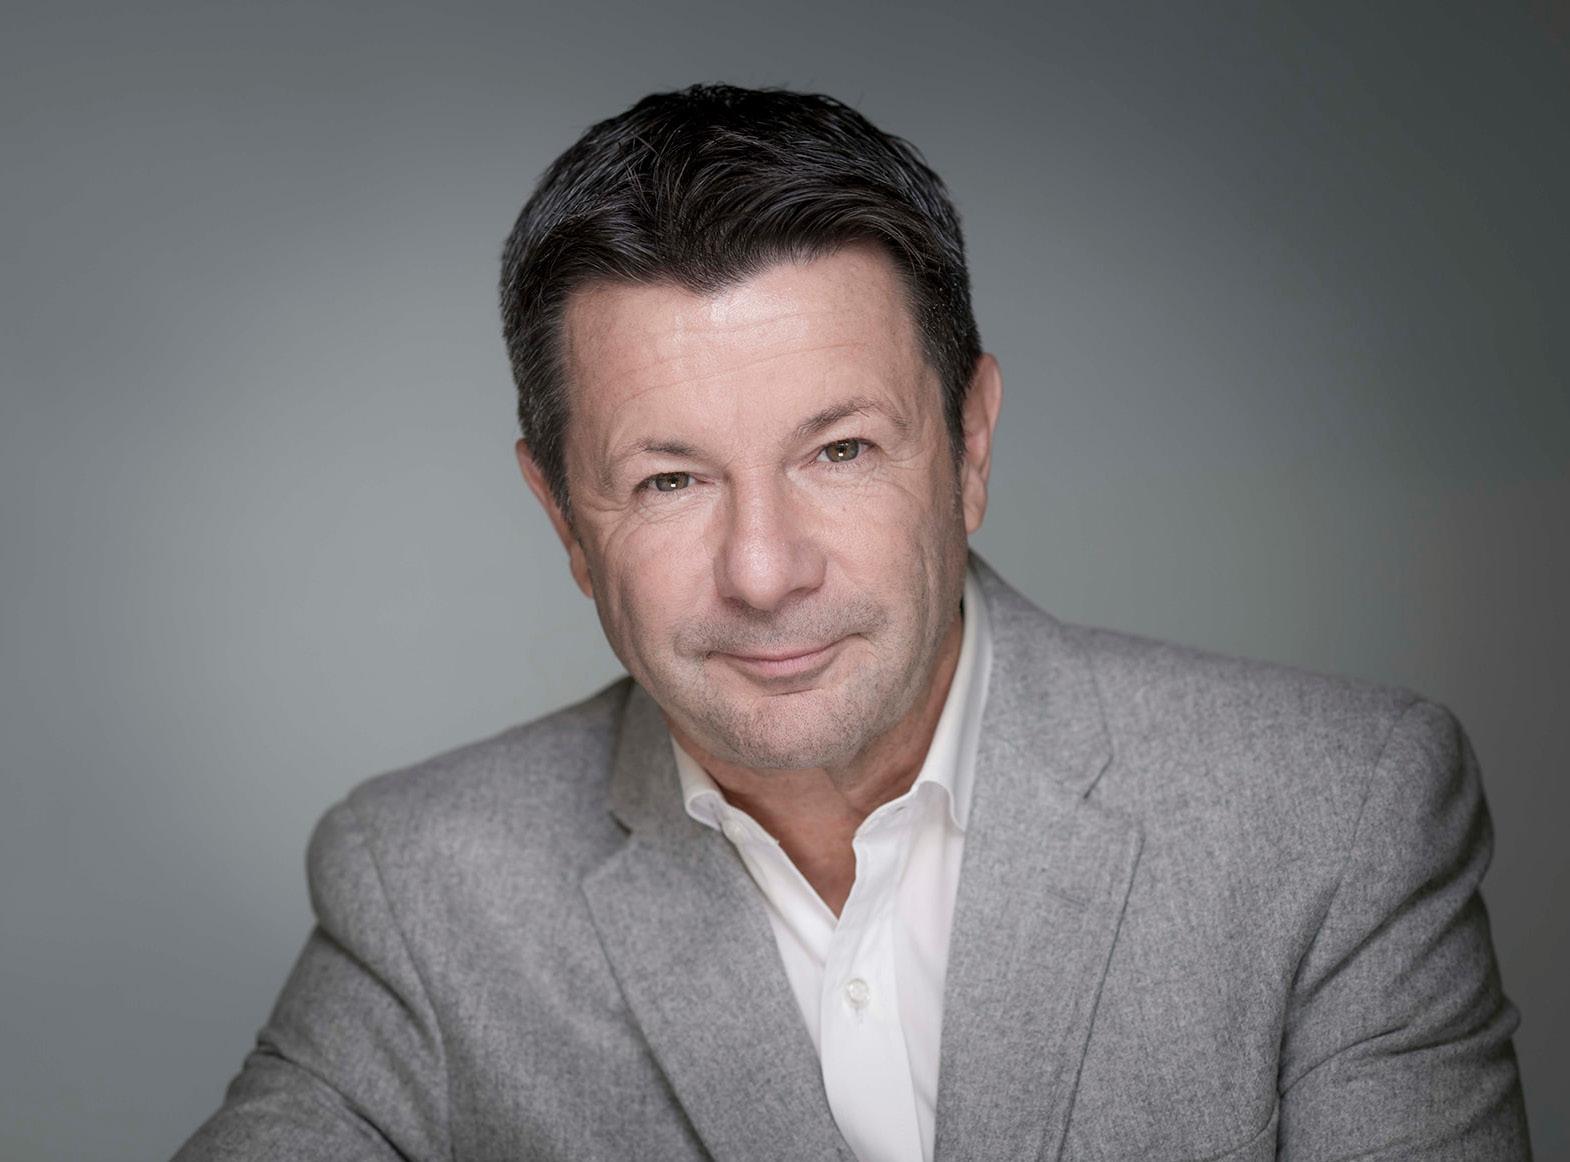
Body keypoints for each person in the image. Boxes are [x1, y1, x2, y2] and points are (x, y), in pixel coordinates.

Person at [175, 84, 1529, 1161]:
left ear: (970, 445)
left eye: (839, 451)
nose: (764, 572)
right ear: (563, 518)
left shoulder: (1334, 818)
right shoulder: (425, 885)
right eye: (670, 479)